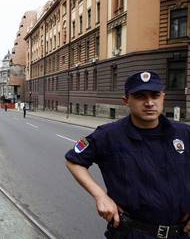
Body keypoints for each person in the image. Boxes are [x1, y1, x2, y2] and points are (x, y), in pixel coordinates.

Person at [65, 71, 190, 239]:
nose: (149, 103)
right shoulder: (109, 135)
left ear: (163, 97)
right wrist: (100, 196)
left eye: (155, 95)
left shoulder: (184, 133)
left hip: (181, 233)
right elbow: (73, 161)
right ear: (126, 101)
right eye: (140, 96)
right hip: (131, 233)